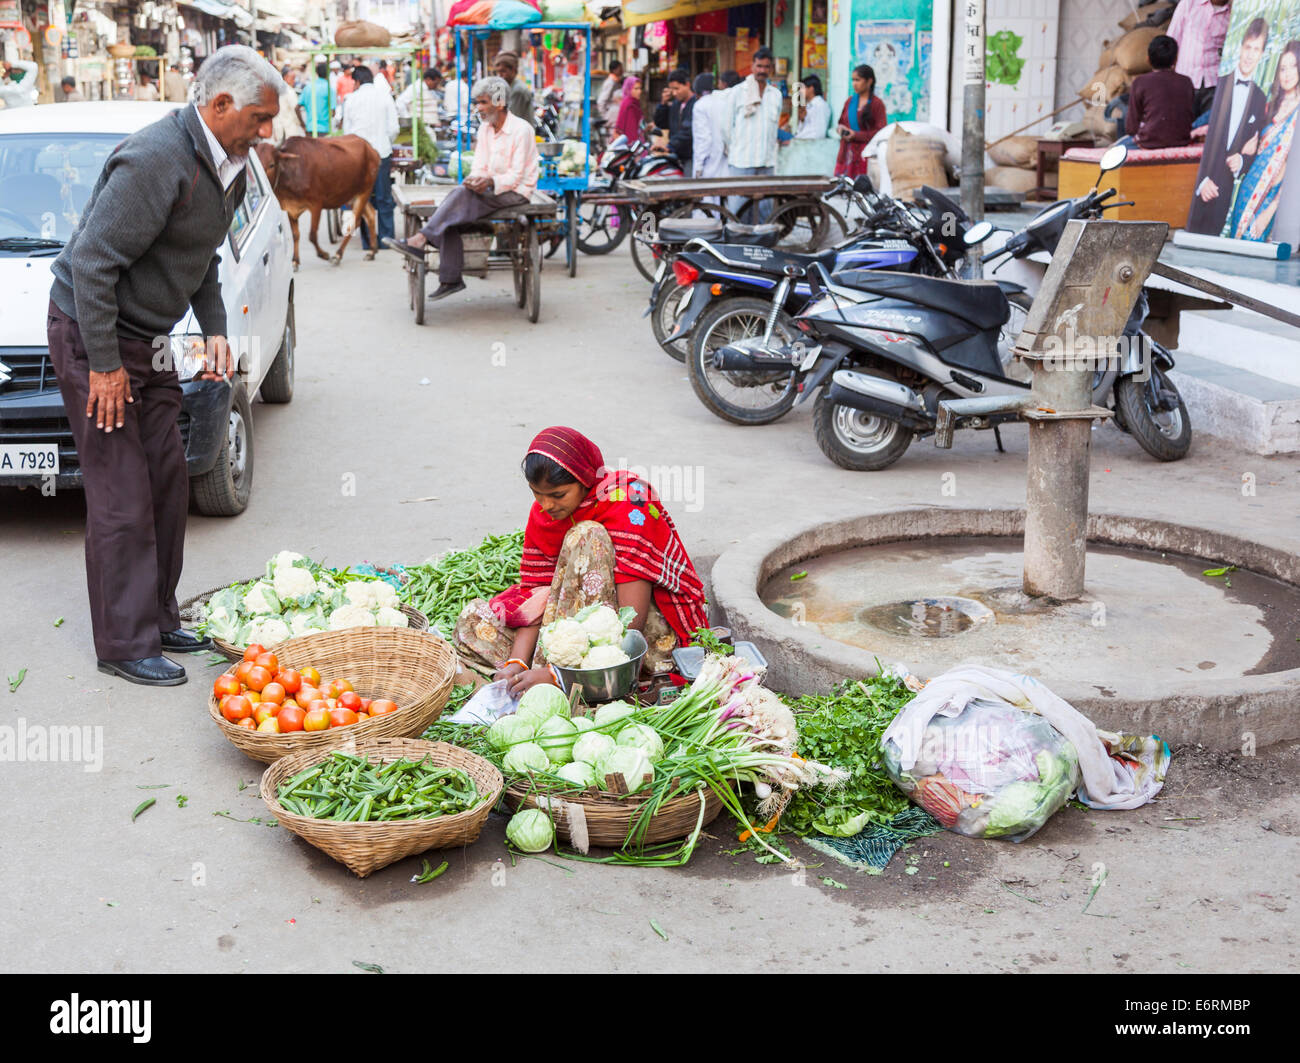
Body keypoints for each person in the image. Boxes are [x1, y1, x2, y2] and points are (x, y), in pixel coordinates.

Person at [46, 45, 281, 687]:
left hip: (148, 336)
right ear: (220, 104)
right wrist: (103, 367)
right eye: (260, 118)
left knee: (168, 479)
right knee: (122, 490)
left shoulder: (228, 163)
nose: (267, 133)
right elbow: (92, 265)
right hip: (93, 332)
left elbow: (203, 256)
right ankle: (123, 643)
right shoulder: (156, 159)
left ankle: (159, 615)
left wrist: (215, 335)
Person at [453, 427, 709, 692]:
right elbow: (537, 595)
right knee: (472, 621)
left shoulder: (627, 501)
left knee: (587, 535)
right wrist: (517, 663)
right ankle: (540, 671)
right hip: (568, 627)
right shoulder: (544, 512)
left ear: (585, 478)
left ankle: (583, 680)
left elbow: (630, 625)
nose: (546, 505)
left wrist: (558, 675)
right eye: (536, 493)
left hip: (632, 638)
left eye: (557, 495)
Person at [384, 76, 538, 302]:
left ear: (500, 103)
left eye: (483, 102)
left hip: (515, 192)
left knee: (455, 201)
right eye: (477, 103)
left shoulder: (521, 130)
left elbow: (516, 176)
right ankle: (450, 279)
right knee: (453, 212)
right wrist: (476, 180)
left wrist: (490, 182)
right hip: (490, 191)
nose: (479, 108)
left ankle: (420, 241)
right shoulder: (485, 130)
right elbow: (479, 166)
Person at [1189, 16, 1270, 236]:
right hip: (1202, 184)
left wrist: (1242, 160)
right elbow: (1211, 138)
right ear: (1240, 48)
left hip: (1226, 190)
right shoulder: (1220, 86)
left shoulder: (1261, 98)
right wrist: (1203, 179)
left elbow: (1255, 149)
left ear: (1262, 54)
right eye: (1247, 47)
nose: (1250, 55)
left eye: (1256, 49)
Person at [1228, 41, 1300, 241]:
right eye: (1283, 68)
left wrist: (1272, 208)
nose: (1287, 74)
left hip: (1276, 193)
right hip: (1249, 186)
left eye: (1293, 66)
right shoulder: (1269, 106)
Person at [341, 64, 398, 252]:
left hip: (358, 158)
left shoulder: (351, 100)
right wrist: (384, 142)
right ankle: (386, 240)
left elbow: (347, 132)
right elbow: (394, 129)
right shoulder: (385, 97)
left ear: (356, 82)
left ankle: (367, 242)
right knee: (384, 198)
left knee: (362, 199)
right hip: (381, 153)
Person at [726, 48, 782, 221]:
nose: (762, 70)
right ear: (752, 66)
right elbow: (726, 127)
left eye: (766, 67)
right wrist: (734, 149)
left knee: (766, 210)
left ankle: (763, 245)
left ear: (770, 68)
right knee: (738, 210)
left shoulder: (776, 95)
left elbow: (774, 129)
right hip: (742, 161)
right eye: (759, 66)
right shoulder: (737, 92)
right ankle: (737, 245)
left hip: (766, 162)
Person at [1125, 35, 1196, 149]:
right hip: (1182, 141)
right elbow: (1190, 116)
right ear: (1176, 59)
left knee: (1117, 148)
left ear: (1148, 59)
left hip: (1149, 144)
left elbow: (1131, 128)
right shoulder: (1186, 82)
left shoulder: (1140, 82)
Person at [1167, 0, 1232, 117]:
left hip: (1214, 83)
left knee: (1208, 128)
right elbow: (1172, 38)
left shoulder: (1233, 13)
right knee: (1182, 124)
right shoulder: (1189, 3)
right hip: (1185, 80)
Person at [835, 64, 886, 175]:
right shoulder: (850, 102)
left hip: (865, 155)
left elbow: (881, 132)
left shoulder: (877, 104)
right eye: (853, 80)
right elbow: (840, 123)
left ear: (869, 81)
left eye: (858, 80)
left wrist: (856, 135)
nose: (854, 84)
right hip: (846, 154)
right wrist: (841, 129)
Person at [692, 70, 738, 179]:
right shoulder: (724, 102)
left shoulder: (700, 105)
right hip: (729, 162)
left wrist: (698, 166)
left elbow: (703, 139)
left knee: (709, 193)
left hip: (710, 164)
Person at [659, 68, 695, 168]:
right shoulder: (676, 104)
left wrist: (670, 145)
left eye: (677, 89)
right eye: (672, 90)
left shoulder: (696, 105)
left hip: (690, 156)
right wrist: (663, 104)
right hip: (676, 155)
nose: (674, 93)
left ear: (687, 85)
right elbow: (662, 123)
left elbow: (688, 131)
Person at [493, 51, 533, 128]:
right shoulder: (508, 87)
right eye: (498, 72)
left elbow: (512, 120)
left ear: (514, 71)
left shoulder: (518, 90)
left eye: (503, 71)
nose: (500, 75)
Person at [297, 60, 336, 136]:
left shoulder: (308, 87)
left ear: (317, 73)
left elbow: (296, 108)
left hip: (310, 129)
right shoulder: (329, 89)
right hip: (324, 130)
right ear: (328, 73)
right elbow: (333, 112)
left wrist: (303, 124)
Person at [794, 74, 831, 139]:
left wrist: (799, 139)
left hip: (807, 142)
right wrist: (802, 120)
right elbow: (800, 131)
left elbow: (820, 133)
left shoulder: (820, 105)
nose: (800, 91)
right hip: (799, 140)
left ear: (811, 88)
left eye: (802, 88)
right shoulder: (809, 105)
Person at [613, 75, 644, 143]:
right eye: (636, 89)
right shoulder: (630, 105)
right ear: (629, 89)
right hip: (630, 143)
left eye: (640, 88)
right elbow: (631, 130)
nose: (639, 91)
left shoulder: (634, 102)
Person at [596, 58, 623, 130]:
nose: (622, 71)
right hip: (611, 119)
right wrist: (606, 117)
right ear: (614, 70)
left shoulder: (616, 81)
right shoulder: (610, 82)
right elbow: (601, 101)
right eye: (620, 69)